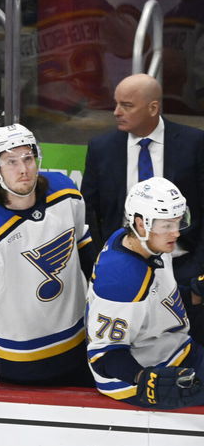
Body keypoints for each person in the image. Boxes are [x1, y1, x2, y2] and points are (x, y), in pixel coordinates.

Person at [0, 124, 93, 386]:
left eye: (28, 158)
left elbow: (83, 246)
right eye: (11, 162)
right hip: (20, 355)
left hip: (77, 341)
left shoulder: (65, 192)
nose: (23, 169)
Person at [85, 177, 204, 409]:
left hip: (174, 346)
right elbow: (103, 356)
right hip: (138, 376)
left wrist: (194, 292)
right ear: (140, 223)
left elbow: (156, 298)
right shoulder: (120, 277)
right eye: (167, 225)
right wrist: (143, 379)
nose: (176, 233)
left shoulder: (145, 241)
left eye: (178, 222)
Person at [80, 74, 204, 291]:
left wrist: (197, 274)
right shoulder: (102, 148)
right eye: (116, 103)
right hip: (121, 266)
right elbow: (88, 212)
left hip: (182, 268)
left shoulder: (194, 144)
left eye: (126, 106)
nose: (116, 112)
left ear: (153, 108)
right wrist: (101, 261)